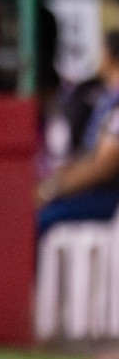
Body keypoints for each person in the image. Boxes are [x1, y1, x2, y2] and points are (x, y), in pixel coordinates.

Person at [36, 30, 119, 238]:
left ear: (109, 55)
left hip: (109, 197)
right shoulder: (106, 98)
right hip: (96, 193)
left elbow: (103, 166)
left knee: (41, 220)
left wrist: (50, 190)